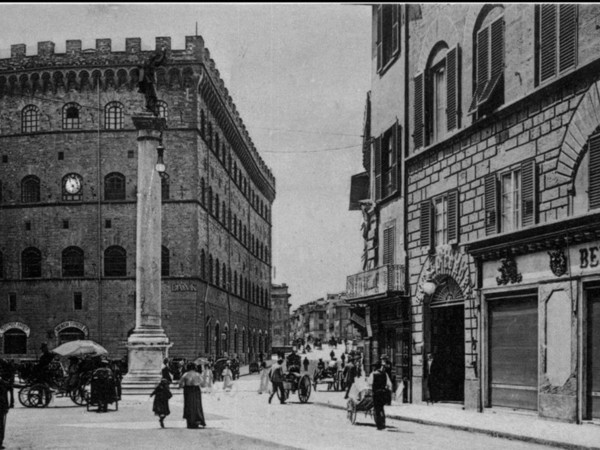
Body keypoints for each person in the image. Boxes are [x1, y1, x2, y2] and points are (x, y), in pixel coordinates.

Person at [178, 363, 206, 428]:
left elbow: (180, 384)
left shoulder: (185, 374)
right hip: (196, 390)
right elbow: (203, 384)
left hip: (188, 390)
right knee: (197, 406)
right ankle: (198, 420)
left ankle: (190, 421)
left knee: (188, 405)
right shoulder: (198, 374)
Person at [368, 361, 392, 430]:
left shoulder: (373, 374)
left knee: (377, 409)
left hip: (376, 393)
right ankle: (383, 423)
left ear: (375, 367)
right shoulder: (385, 374)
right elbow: (389, 384)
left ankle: (379, 425)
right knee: (381, 408)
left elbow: (370, 383)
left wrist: (370, 391)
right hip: (383, 393)